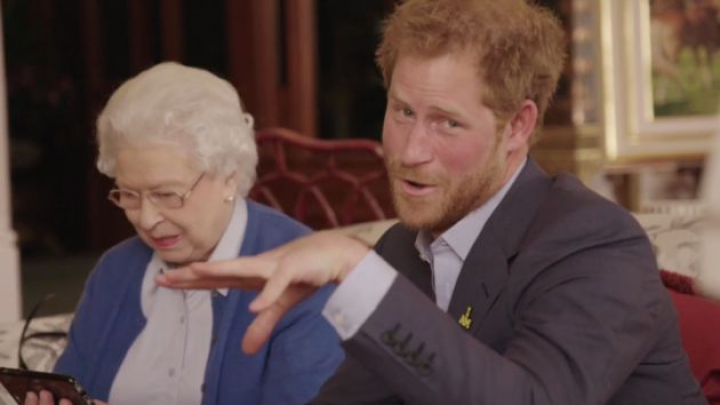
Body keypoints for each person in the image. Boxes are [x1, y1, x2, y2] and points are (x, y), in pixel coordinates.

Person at [158, 1, 708, 404]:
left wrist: (354, 268)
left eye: (447, 122)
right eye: (403, 112)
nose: (409, 151)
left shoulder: (593, 243)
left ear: (518, 126)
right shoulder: (404, 249)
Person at [27, 62, 343, 405]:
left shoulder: (301, 275)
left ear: (229, 177)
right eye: (129, 194)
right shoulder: (115, 272)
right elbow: (74, 385)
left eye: (167, 195)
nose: (147, 219)